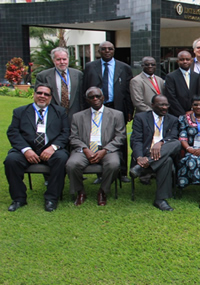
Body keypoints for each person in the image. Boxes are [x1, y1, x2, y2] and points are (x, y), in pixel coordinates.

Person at [5, 84, 69, 212]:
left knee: (61, 158)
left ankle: (51, 198)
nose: (42, 96)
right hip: (28, 149)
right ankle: (19, 198)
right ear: (34, 94)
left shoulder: (59, 112)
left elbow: (65, 132)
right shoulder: (20, 111)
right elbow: (13, 132)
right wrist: (26, 150)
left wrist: (53, 147)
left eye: (46, 94)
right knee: (11, 160)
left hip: (50, 150)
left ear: (50, 97)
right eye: (39, 93)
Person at [66, 87, 126, 206]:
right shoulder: (77, 116)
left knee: (114, 164)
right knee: (72, 164)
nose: (95, 99)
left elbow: (120, 136)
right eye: (91, 97)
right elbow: (73, 137)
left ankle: (103, 191)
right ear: (87, 100)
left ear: (103, 97)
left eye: (98, 96)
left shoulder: (117, 115)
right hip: (84, 150)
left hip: (107, 150)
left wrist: (105, 150)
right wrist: (85, 149)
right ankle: (80, 192)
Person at [83, 40, 133, 183]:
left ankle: (122, 172)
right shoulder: (90, 67)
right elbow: (84, 88)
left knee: (120, 138)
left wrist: (129, 110)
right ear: (99, 51)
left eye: (109, 49)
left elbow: (128, 91)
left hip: (117, 107)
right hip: (96, 108)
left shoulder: (124, 67)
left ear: (113, 50)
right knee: (98, 138)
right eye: (103, 49)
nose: (107, 51)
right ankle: (100, 173)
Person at [129, 94, 181, 211]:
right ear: (152, 105)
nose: (164, 108)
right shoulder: (141, 118)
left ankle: (141, 168)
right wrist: (139, 157)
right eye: (161, 105)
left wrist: (161, 142)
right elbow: (136, 140)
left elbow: (173, 136)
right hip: (145, 154)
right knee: (166, 161)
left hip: (163, 151)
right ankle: (160, 200)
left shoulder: (173, 119)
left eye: (166, 105)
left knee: (176, 143)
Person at [35, 47, 84, 124]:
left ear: (68, 59)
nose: (62, 62)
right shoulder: (43, 76)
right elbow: (39, 98)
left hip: (74, 117)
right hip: (53, 117)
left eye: (64, 59)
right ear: (53, 60)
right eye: (58, 59)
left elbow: (81, 97)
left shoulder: (78, 75)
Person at [165, 50, 199, 117]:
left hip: (194, 114)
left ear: (192, 61)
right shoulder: (171, 77)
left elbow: (199, 94)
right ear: (177, 61)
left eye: (187, 59)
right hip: (176, 114)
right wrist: (183, 114)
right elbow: (171, 97)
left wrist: (193, 110)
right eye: (182, 60)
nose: (185, 61)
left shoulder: (197, 76)